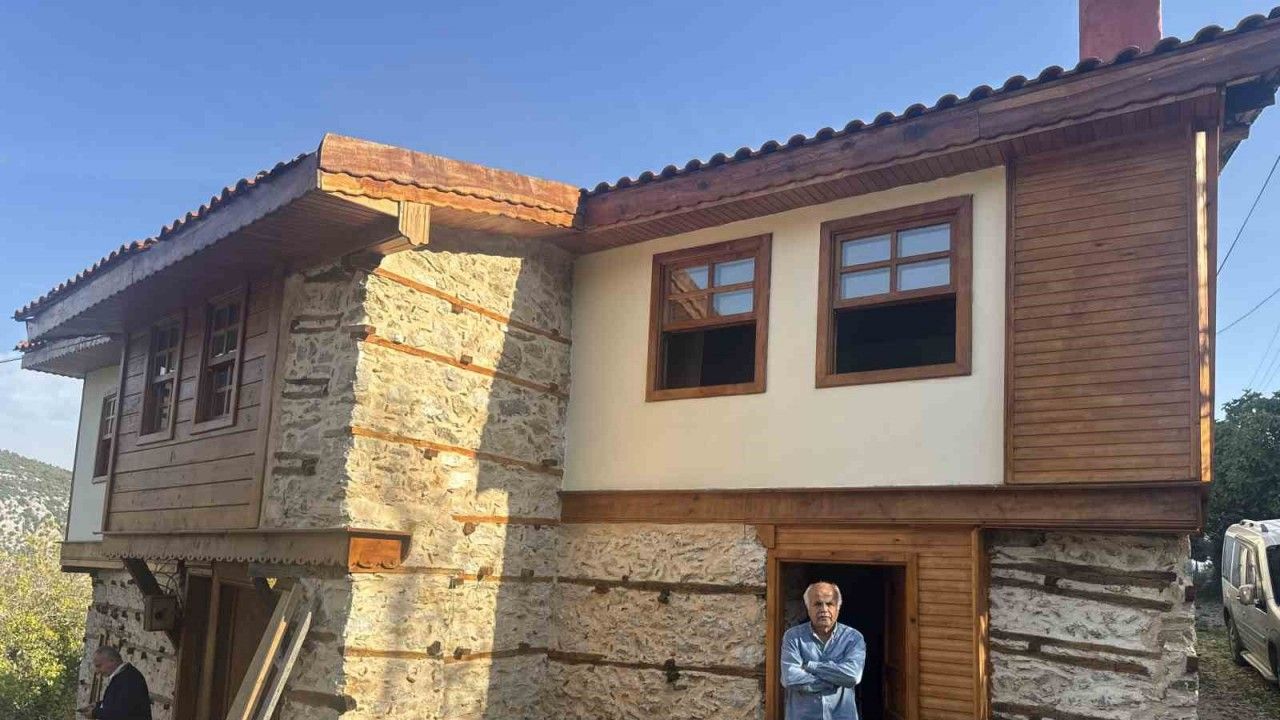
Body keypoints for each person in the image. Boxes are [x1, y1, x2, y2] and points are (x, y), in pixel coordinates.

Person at [780, 581, 866, 720]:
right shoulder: (793, 637)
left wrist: (811, 666)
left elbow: (852, 676)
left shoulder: (853, 638)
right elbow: (790, 678)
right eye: (818, 604)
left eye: (830, 604)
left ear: (838, 608)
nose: (824, 609)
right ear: (808, 608)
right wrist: (835, 679)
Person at [77, 646, 152, 720]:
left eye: (99, 666)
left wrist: (95, 713)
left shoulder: (130, 678)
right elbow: (119, 702)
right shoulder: (122, 676)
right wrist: (98, 705)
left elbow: (122, 713)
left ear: (112, 661)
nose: (97, 671)